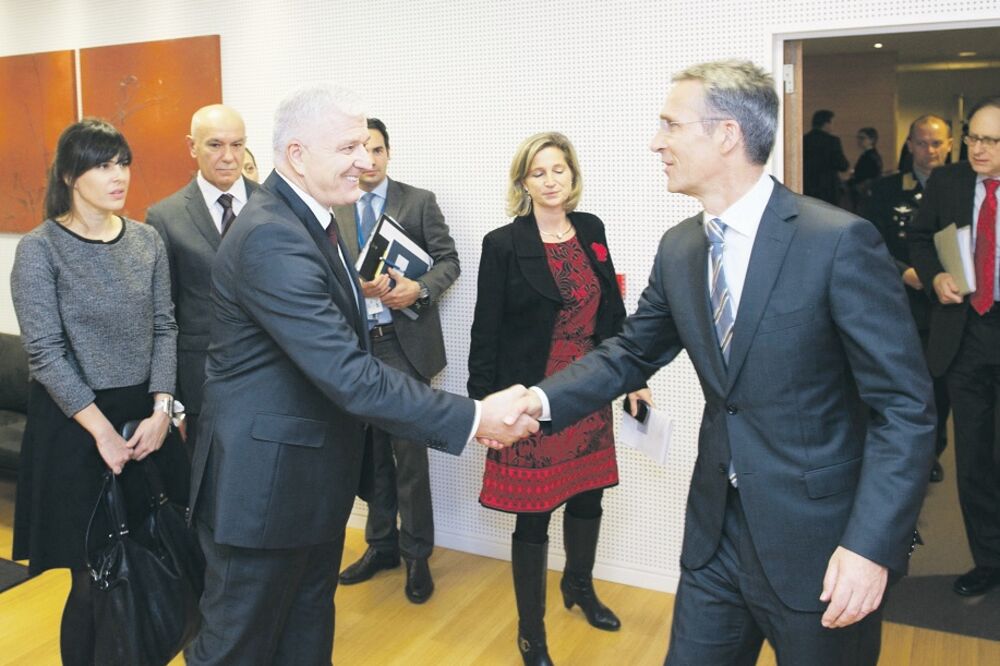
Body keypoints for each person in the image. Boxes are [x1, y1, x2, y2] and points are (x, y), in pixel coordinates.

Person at [510, 61, 935, 665]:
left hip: (822, 549)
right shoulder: (680, 248)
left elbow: (905, 408)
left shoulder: (837, 241)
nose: (656, 142)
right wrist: (537, 400)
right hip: (716, 538)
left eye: (670, 125)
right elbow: (631, 352)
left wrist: (871, 547)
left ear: (727, 134)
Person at [184, 85, 535, 666]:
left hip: (305, 488)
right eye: (347, 147)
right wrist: (475, 417)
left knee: (303, 642)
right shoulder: (272, 235)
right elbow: (349, 373)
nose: (365, 161)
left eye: (368, 147)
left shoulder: (314, 222)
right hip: (264, 496)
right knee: (236, 650)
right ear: (297, 155)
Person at [10, 118, 189, 666]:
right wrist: (104, 434)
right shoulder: (40, 249)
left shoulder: (146, 239)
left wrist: (162, 409)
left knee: (156, 558)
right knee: (93, 578)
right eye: (104, 166)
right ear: (70, 176)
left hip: (145, 419)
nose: (119, 177)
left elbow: (165, 327)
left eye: (123, 164)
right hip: (76, 426)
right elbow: (45, 353)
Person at [468, 131, 651, 665]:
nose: (550, 181)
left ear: (572, 175)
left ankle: (579, 586)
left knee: (589, 496)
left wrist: (633, 375)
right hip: (531, 398)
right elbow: (486, 330)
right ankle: (532, 633)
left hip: (589, 387)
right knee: (535, 514)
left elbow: (612, 309)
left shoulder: (591, 228)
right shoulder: (503, 244)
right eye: (538, 172)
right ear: (523, 182)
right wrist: (483, 409)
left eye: (558, 170)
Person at [334, 119, 460, 603]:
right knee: (370, 455)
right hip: (356, 348)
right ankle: (380, 545)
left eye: (377, 149)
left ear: (389, 153)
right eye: (360, 149)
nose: (368, 159)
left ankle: (417, 555)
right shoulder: (334, 203)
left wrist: (418, 289)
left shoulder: (418, 201)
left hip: (404, 345)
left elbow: (448, 261)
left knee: (410, 456)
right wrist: (352, 286)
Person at [909, 96, 1000, 598]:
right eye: (973, 138)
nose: (977, 148)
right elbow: (920, 239)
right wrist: (935, 276)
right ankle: (989, 560)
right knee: (974, 457)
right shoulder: (948, 183)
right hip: (965, 334)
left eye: (990, 141)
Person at [146, 104, 260, 457]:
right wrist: (171, 399)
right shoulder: (165, 217)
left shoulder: (273, 205)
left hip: (270, 374)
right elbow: (163, 314)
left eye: (237, 145)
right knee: (207, 481)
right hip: (201, 384)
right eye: (215, 145)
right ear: (192, 146)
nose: (229, 157)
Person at [861, 114, 953, 483]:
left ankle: (931, 453)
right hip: (899, 300)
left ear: (949, 145)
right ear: (910, 145)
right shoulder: (887, 190)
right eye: (922, 143)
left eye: (937, 143)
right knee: (897, 384)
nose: (929, 150)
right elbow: (868, 242)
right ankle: (898, 455)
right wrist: (903, 272)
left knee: (939, 385)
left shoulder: (963, 189)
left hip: (947, 305)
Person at [803, 109, 850, 205]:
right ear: (826, 124)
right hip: (828, 188)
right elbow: (842, 164)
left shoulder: (804, 140)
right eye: (832, 123)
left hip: (807, 186)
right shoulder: (832, 141)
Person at [847, 127, 882, 210]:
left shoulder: (870, 156)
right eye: (858, 138)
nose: (859, 141)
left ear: (872, 140)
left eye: (862, 138)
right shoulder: (868, 155)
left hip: (864, 190)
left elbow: (868, 175)